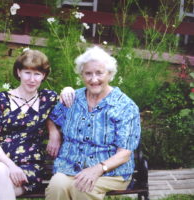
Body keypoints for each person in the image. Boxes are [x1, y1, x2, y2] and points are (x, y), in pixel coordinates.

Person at [45, 46, 141, 200]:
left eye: (99, 73)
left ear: (110, 74)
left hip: (110, 172)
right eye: (88, 73)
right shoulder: (73, 98)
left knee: (82, 188)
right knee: (57, 185)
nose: (93, 79)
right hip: (69, 166)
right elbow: (52, 117)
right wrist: (53, 132)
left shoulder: (125, 107)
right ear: (81, 75)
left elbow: (124, 153)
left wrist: (99, 168)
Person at [0, 49, 63, 200]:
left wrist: (53, 131)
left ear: (43, 76)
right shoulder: (1, 100)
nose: (32, 79)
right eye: (27, 73)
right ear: (18, 72)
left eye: (37, 74)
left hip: (30, 167)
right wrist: (10, 166)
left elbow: (69, 102)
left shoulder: (48, 99)